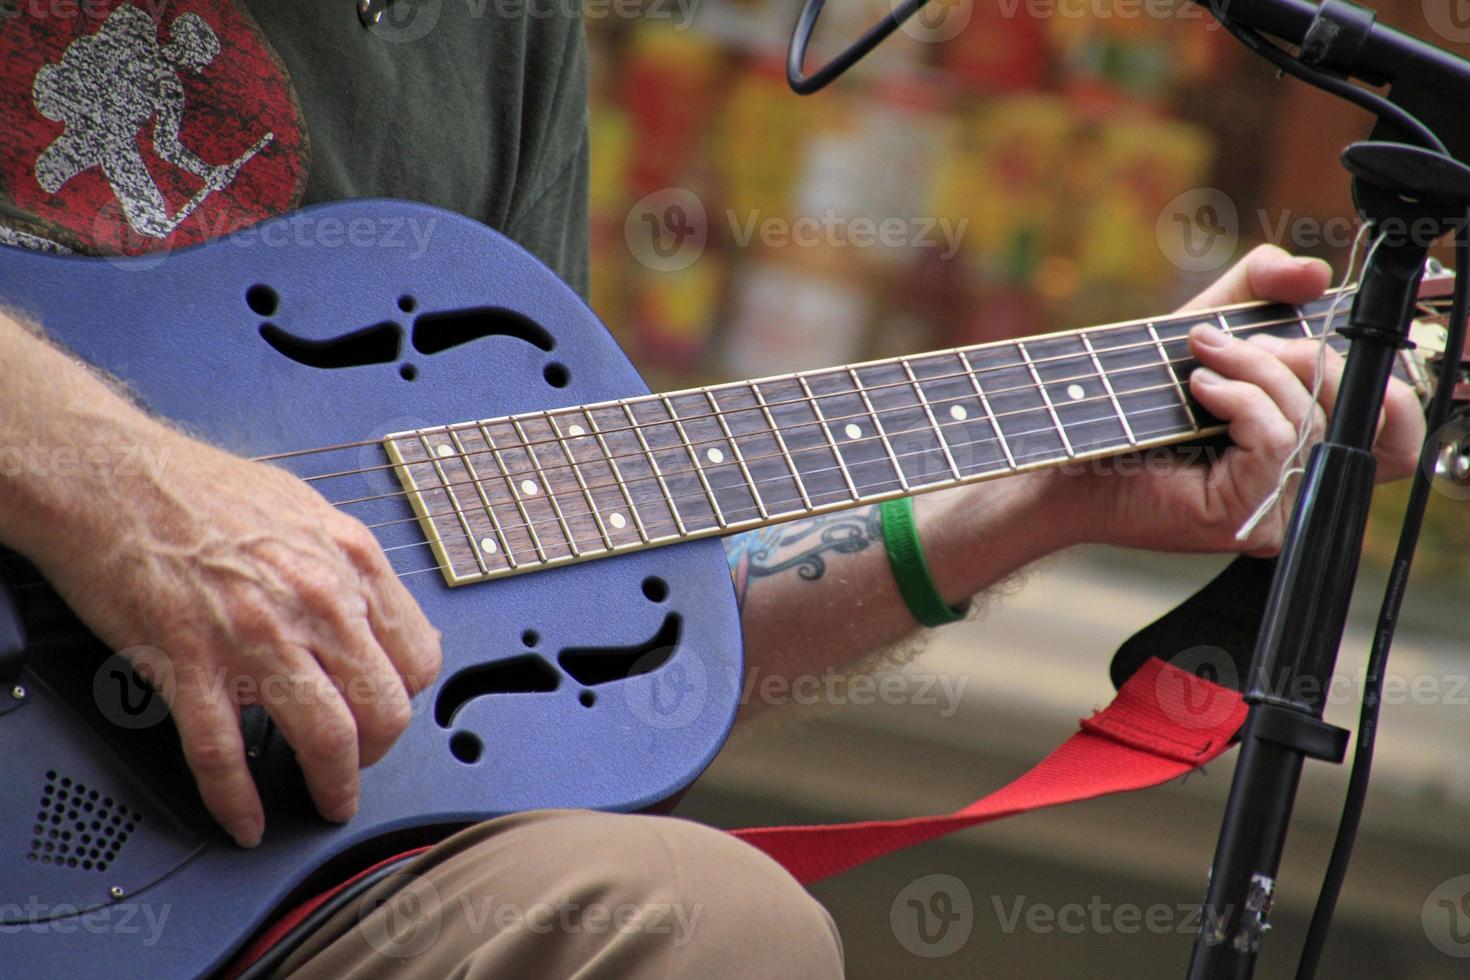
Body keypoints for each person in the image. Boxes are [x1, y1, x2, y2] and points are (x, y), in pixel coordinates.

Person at [0, 3, 1426, 977]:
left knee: (703, 929)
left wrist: (1048, 496)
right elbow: (198, 525)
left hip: (252, 880)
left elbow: (554, 609)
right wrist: (118, 491)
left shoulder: (496, 30)